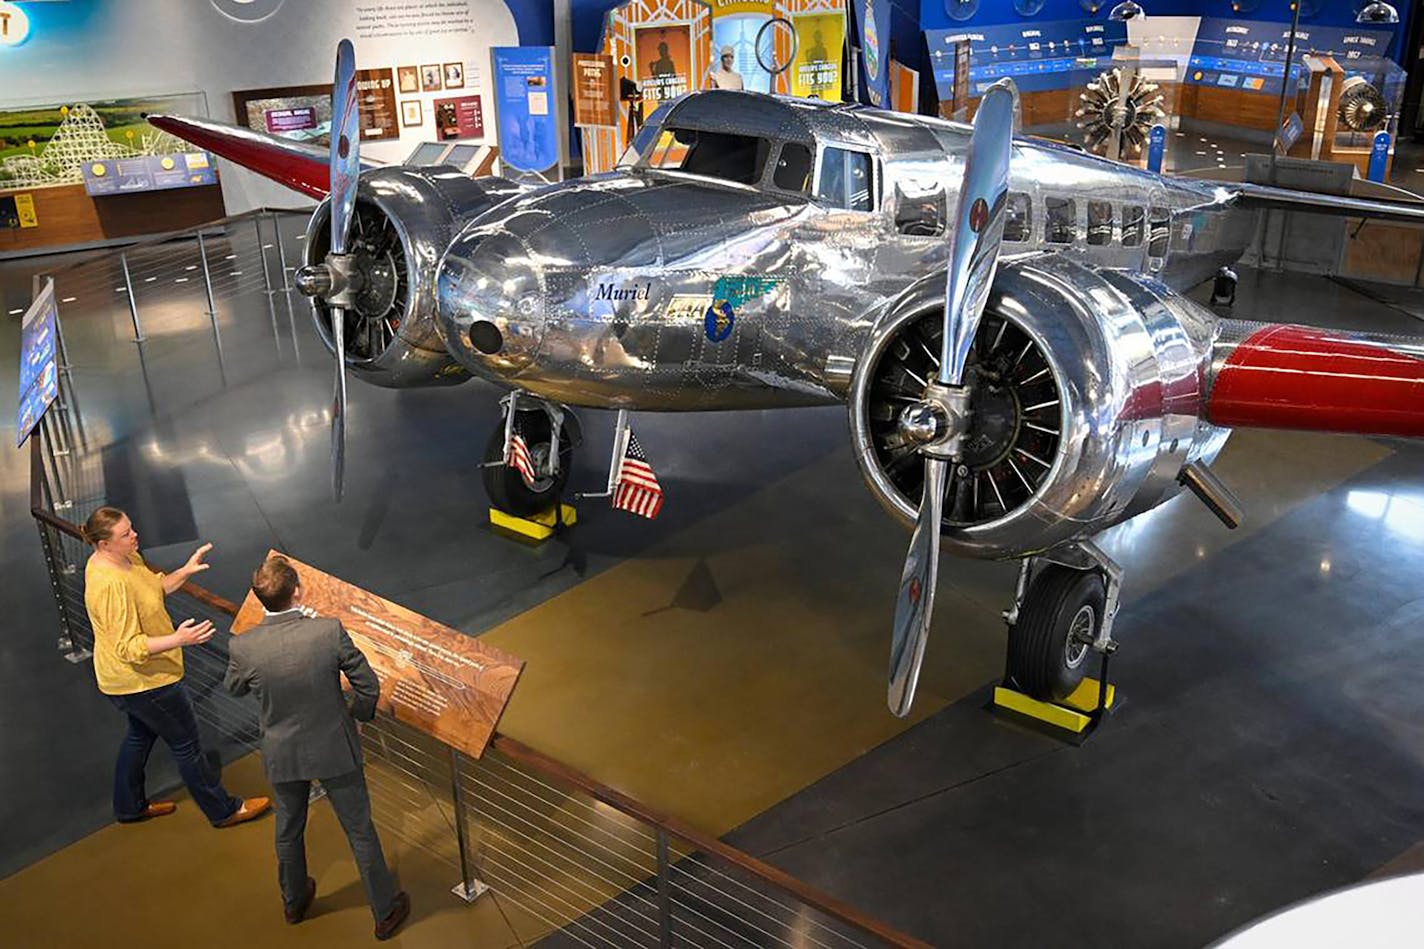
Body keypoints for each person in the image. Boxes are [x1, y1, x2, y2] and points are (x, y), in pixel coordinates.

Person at [224, 555, 410, 939]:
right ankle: (384, 911)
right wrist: (355, 716)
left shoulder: (244, 647)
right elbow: (368, 687)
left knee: (288, 831)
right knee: (359, 831)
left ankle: (293, 903)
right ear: (297, 592)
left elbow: (235, 687)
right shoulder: (328, 633)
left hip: (282, 752)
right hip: (333, 746)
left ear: (261, 599)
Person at [81, 506, 270, 828]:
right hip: (145, 683)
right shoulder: (110, 584)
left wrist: (184, 572)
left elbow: (153, 589)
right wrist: (179, 639)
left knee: (139, 736)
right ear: (103, 544)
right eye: (125, 534)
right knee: (187, 745)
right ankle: (223, 810)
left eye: (131, 527)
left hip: (126, 681)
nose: (134, 535)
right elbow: (128, 648)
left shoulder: (125, 558)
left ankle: (129, 806)